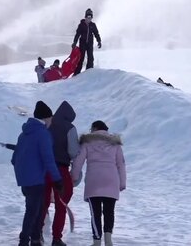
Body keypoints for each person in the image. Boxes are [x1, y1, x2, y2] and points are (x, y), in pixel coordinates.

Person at [11, 101, 63, 246]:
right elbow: (48, 159)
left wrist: (23, 173)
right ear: (46, 118)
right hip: (36, 180)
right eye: (50, 119)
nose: (51, 122)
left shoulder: (23, 134)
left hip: (25, 180)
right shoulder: (42, 134)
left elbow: (14, 159)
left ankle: (35, 239)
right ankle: (24, 240)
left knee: (38, 210)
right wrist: (57, 180)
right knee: (33, 211)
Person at [71, 120, 126, 246]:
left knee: (95, 213)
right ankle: (108, 240)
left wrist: (73, 176)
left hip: (93, 181)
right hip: (111, 181)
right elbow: (121, 164)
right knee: (109, 211)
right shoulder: (115, 143)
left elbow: (79, 161)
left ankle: (96, 241)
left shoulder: (87, 142)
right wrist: (122, 183)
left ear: (95, 128)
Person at [41, 100, 80, 246]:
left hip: (44, 170)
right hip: (60, 169)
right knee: (61, 204)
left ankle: (37, 234)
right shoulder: (70, 127)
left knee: (42, 203)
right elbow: (73, 151)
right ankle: (56, 238)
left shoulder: (46, 125)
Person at [71, 8, 102, 76]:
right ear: (85, 17)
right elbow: (77, 34)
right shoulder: (81, 25)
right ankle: (77, 73)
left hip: (90, 43)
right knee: (81, 58)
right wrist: (74, 42)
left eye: (90, 17)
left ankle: (89, 72)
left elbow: (96, 33)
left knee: (90, 57)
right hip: (83, 43)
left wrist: (99, 41)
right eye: (88, 17)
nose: (89, 19)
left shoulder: (93, 25)